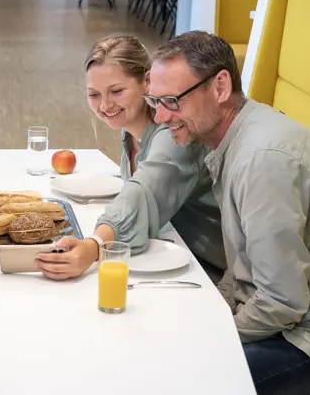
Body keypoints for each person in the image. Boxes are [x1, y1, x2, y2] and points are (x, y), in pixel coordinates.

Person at [143, 30, 310, 394]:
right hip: (286, 328)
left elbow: (283, 302)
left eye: (172, 101)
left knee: (172, 379)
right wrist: (206, 317)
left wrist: (209, 335)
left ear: (220, 86)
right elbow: (240, 272)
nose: (160, 116)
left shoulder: (263, 159)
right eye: (155, 101)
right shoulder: (234, 141)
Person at [36, 33, 225, 282]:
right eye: (94, 94)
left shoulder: (174, 132)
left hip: (208, 269)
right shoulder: (130, 129)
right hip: (168, 249)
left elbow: (144, 188)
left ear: (147, 82)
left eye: (116, 91)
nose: (105, 105)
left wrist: (94, 247)